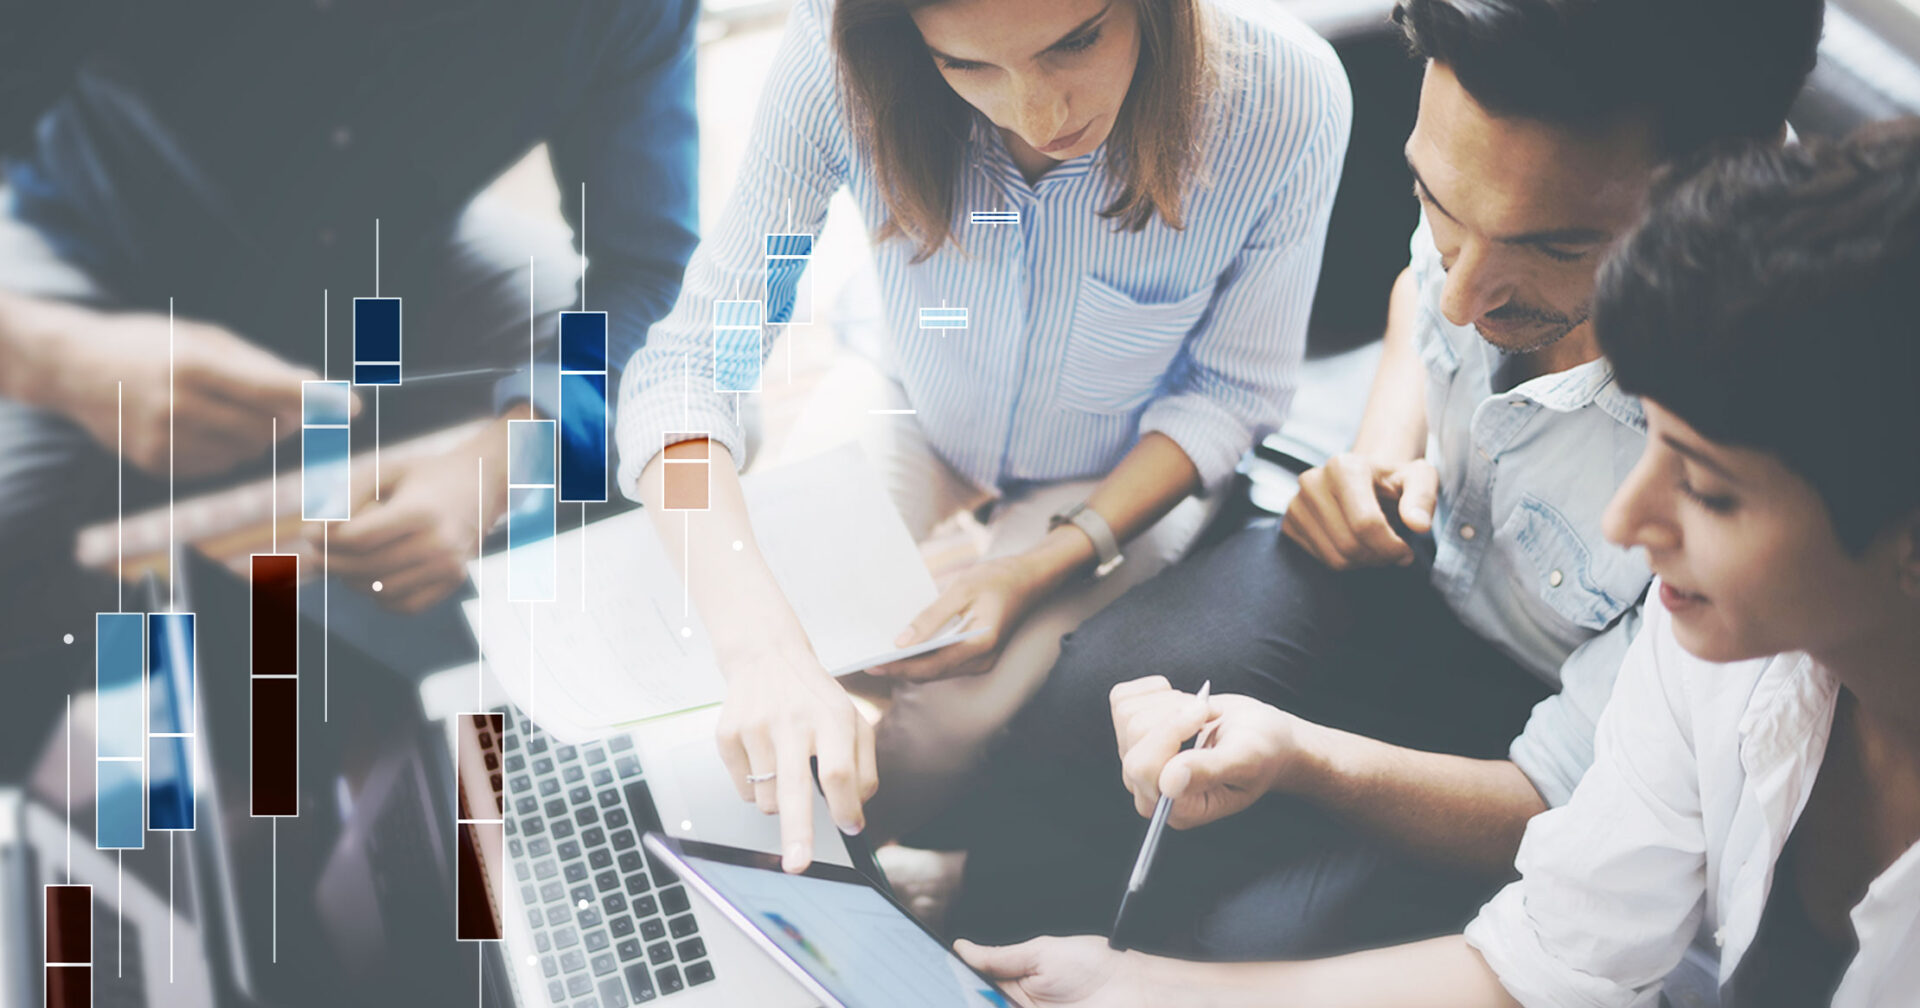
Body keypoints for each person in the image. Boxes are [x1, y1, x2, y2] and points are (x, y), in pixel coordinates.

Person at [958, 118, 1920, 1008]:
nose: (1630, 518)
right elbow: (1556, 953)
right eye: (1653, 441)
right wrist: (1150, 990)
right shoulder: (1721, 647)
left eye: (1708, 490)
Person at [616, 0, 1351, 869]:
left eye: (1077, 41)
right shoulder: (839, 53)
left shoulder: (1284, 97)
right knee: (749, 626)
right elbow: (696, 366)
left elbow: (1230, 393)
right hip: (913, 394)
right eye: (967, 66)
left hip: (1123, 464)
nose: (1041, 117)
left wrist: (1040, 564)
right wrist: (765, 648)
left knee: (955, 718)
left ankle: (836, 883)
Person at [0, 0, 698, 621]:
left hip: (395, 268)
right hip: (83, 251)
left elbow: (648, 271)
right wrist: (56, 360)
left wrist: (505, 458)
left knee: (679, 420)